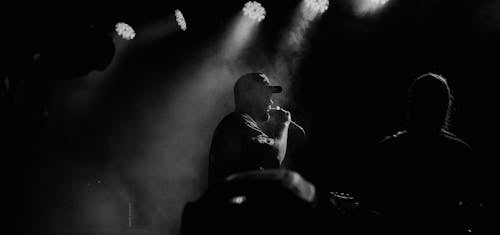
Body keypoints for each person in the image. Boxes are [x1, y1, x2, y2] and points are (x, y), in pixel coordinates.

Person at [366, 73, 476, 233]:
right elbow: (468, 207)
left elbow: (374, 204)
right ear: (445, 106)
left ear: (412, 104)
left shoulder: (388, 149)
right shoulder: (460, 151)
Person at [208, 72, 304, 186]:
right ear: (248, 96)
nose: (271, 102)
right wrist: (284, 124)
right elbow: (275, 157)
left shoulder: (240, 122)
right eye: (266, 95)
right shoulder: (238, 121)